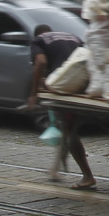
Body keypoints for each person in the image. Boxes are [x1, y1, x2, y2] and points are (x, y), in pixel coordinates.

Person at [26, 22, 94, 189]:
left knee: (69, 130)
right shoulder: (69, 36)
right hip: (86, 81)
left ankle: (87, 176)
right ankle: (58, 165)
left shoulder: (38, 41)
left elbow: (41, 62)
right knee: (67, 128)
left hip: (67, 87)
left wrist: (34, 93)